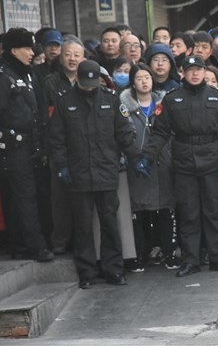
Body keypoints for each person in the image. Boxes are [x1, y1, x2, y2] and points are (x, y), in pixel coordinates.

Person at [138, 55, 218, 277]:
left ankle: (217, 257)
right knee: (188, 213)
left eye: (198, 70)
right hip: (184, 161)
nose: (195, 74)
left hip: (211, 160)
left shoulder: (217, 97)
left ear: (204, 72)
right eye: (190, 70)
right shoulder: (173, 99)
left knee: (213, 212)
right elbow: (160, 132)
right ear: (182, 72)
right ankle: (191, 260)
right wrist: (147, 156)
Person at [48, 60, 139, 288]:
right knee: (82, 225)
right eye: (84, 82)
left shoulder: (110, 99)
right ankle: (87, 273)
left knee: (109, 223)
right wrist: (62, 166)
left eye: (92, 82)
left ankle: (114, 270)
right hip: (78, 173)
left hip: (106, 170)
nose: (89, 87)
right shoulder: (64, 102)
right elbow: (56, 139)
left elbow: (124, 133)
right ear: (77, 78)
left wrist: (137, 157)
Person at [0, 27, 54, 262]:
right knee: (25, 198)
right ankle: (37, 247)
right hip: (13, 148)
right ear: (13, 50)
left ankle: (22, 245)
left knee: (30, 196)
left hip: (31, 145)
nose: (32, 52)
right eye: (26, 48)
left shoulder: (26, 73)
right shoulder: (2, 76)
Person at [120, 64, 179, 272]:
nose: (144, 82)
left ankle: (169, 253)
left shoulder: (164, 104)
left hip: (163, 163)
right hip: (137, 164)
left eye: (147, 77)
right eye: (139, 78)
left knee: (165, 207)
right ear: (132, 82)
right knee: (139, 211)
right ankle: (139, 254)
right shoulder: (124, 106)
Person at [42, 35, 87, 254]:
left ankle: (83, 242)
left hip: (85, 147)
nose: (72, 59)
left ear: (84, 57)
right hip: (59, 146)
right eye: (67, 54)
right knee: (59, 198)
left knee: (84, 200)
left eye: (76, 55)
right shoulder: (50, 82)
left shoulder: (89, 80)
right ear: (60, 57)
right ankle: (60, 241)